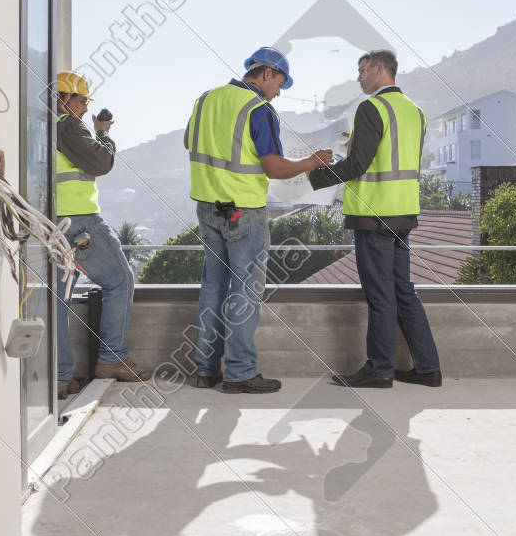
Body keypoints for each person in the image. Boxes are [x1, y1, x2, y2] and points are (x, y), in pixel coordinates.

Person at [185, 48, 332, 394]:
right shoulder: (259, 110)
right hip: (242, 212)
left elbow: (189, 142)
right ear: (266, 74)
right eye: (280, 83)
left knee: (213, 287)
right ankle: (239, 373)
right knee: (245, 291)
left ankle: (205, 371)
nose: (279, 91)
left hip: (208, 208)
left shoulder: (206, 99)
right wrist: (311, 161)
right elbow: (275, 168)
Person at [308, 50, 441, 389]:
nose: (359, 77)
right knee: (403, 291)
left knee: (380, 295)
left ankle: (380, 369)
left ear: (381, 69)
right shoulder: (416, 112)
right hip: (403, 212)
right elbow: (394, 157)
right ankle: (428, 368)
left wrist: (313, 176)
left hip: (374, 214)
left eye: (363, 70)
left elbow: (357, 167)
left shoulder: (371, 108)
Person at [52, 71, 151, 399]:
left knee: (59, 301)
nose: (83, 108)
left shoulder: (44, 127)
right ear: (64, 99)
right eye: (81, 100)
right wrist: (104, 136)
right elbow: (100, 162)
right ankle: (112, 359)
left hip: (56, 222)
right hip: (79, 222)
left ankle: (61, 377)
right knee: (120, 280)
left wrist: (95, 130)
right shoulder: (66, 124)